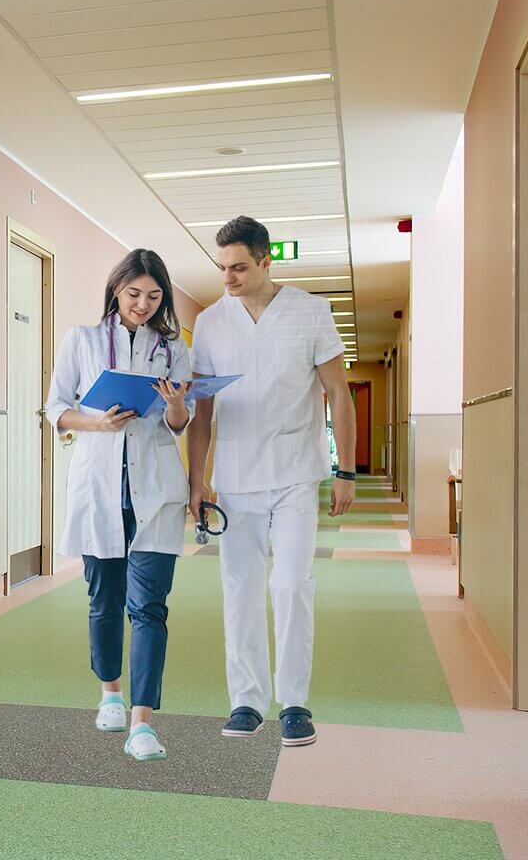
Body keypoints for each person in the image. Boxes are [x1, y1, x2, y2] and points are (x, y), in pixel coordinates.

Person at [186, 216, 355, 748]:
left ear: (266, 261)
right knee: (238, 588)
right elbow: (201, 411)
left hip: (296, 476)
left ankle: (295, 704)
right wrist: (198, 479)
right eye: (222, 268)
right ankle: (246, 700)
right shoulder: (212, 323)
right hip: (235, 479)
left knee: (290, 584)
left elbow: (340, 394)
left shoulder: (310, 312)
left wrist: (345, 469)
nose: (229, 277)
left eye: (239, 267)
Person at [44, 248, 193, 762]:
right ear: (116, 290)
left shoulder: (173, 349)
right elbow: (56, 409)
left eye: (154, 296)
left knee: (149, 607)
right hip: (99, 487)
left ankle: (143, 724)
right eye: (134, 295)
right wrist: (98, 422)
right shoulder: (81, 340)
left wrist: (176, 406)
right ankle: (110, 693)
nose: (143, 305)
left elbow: (179, 423)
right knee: (104, 600)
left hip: (154, 491)